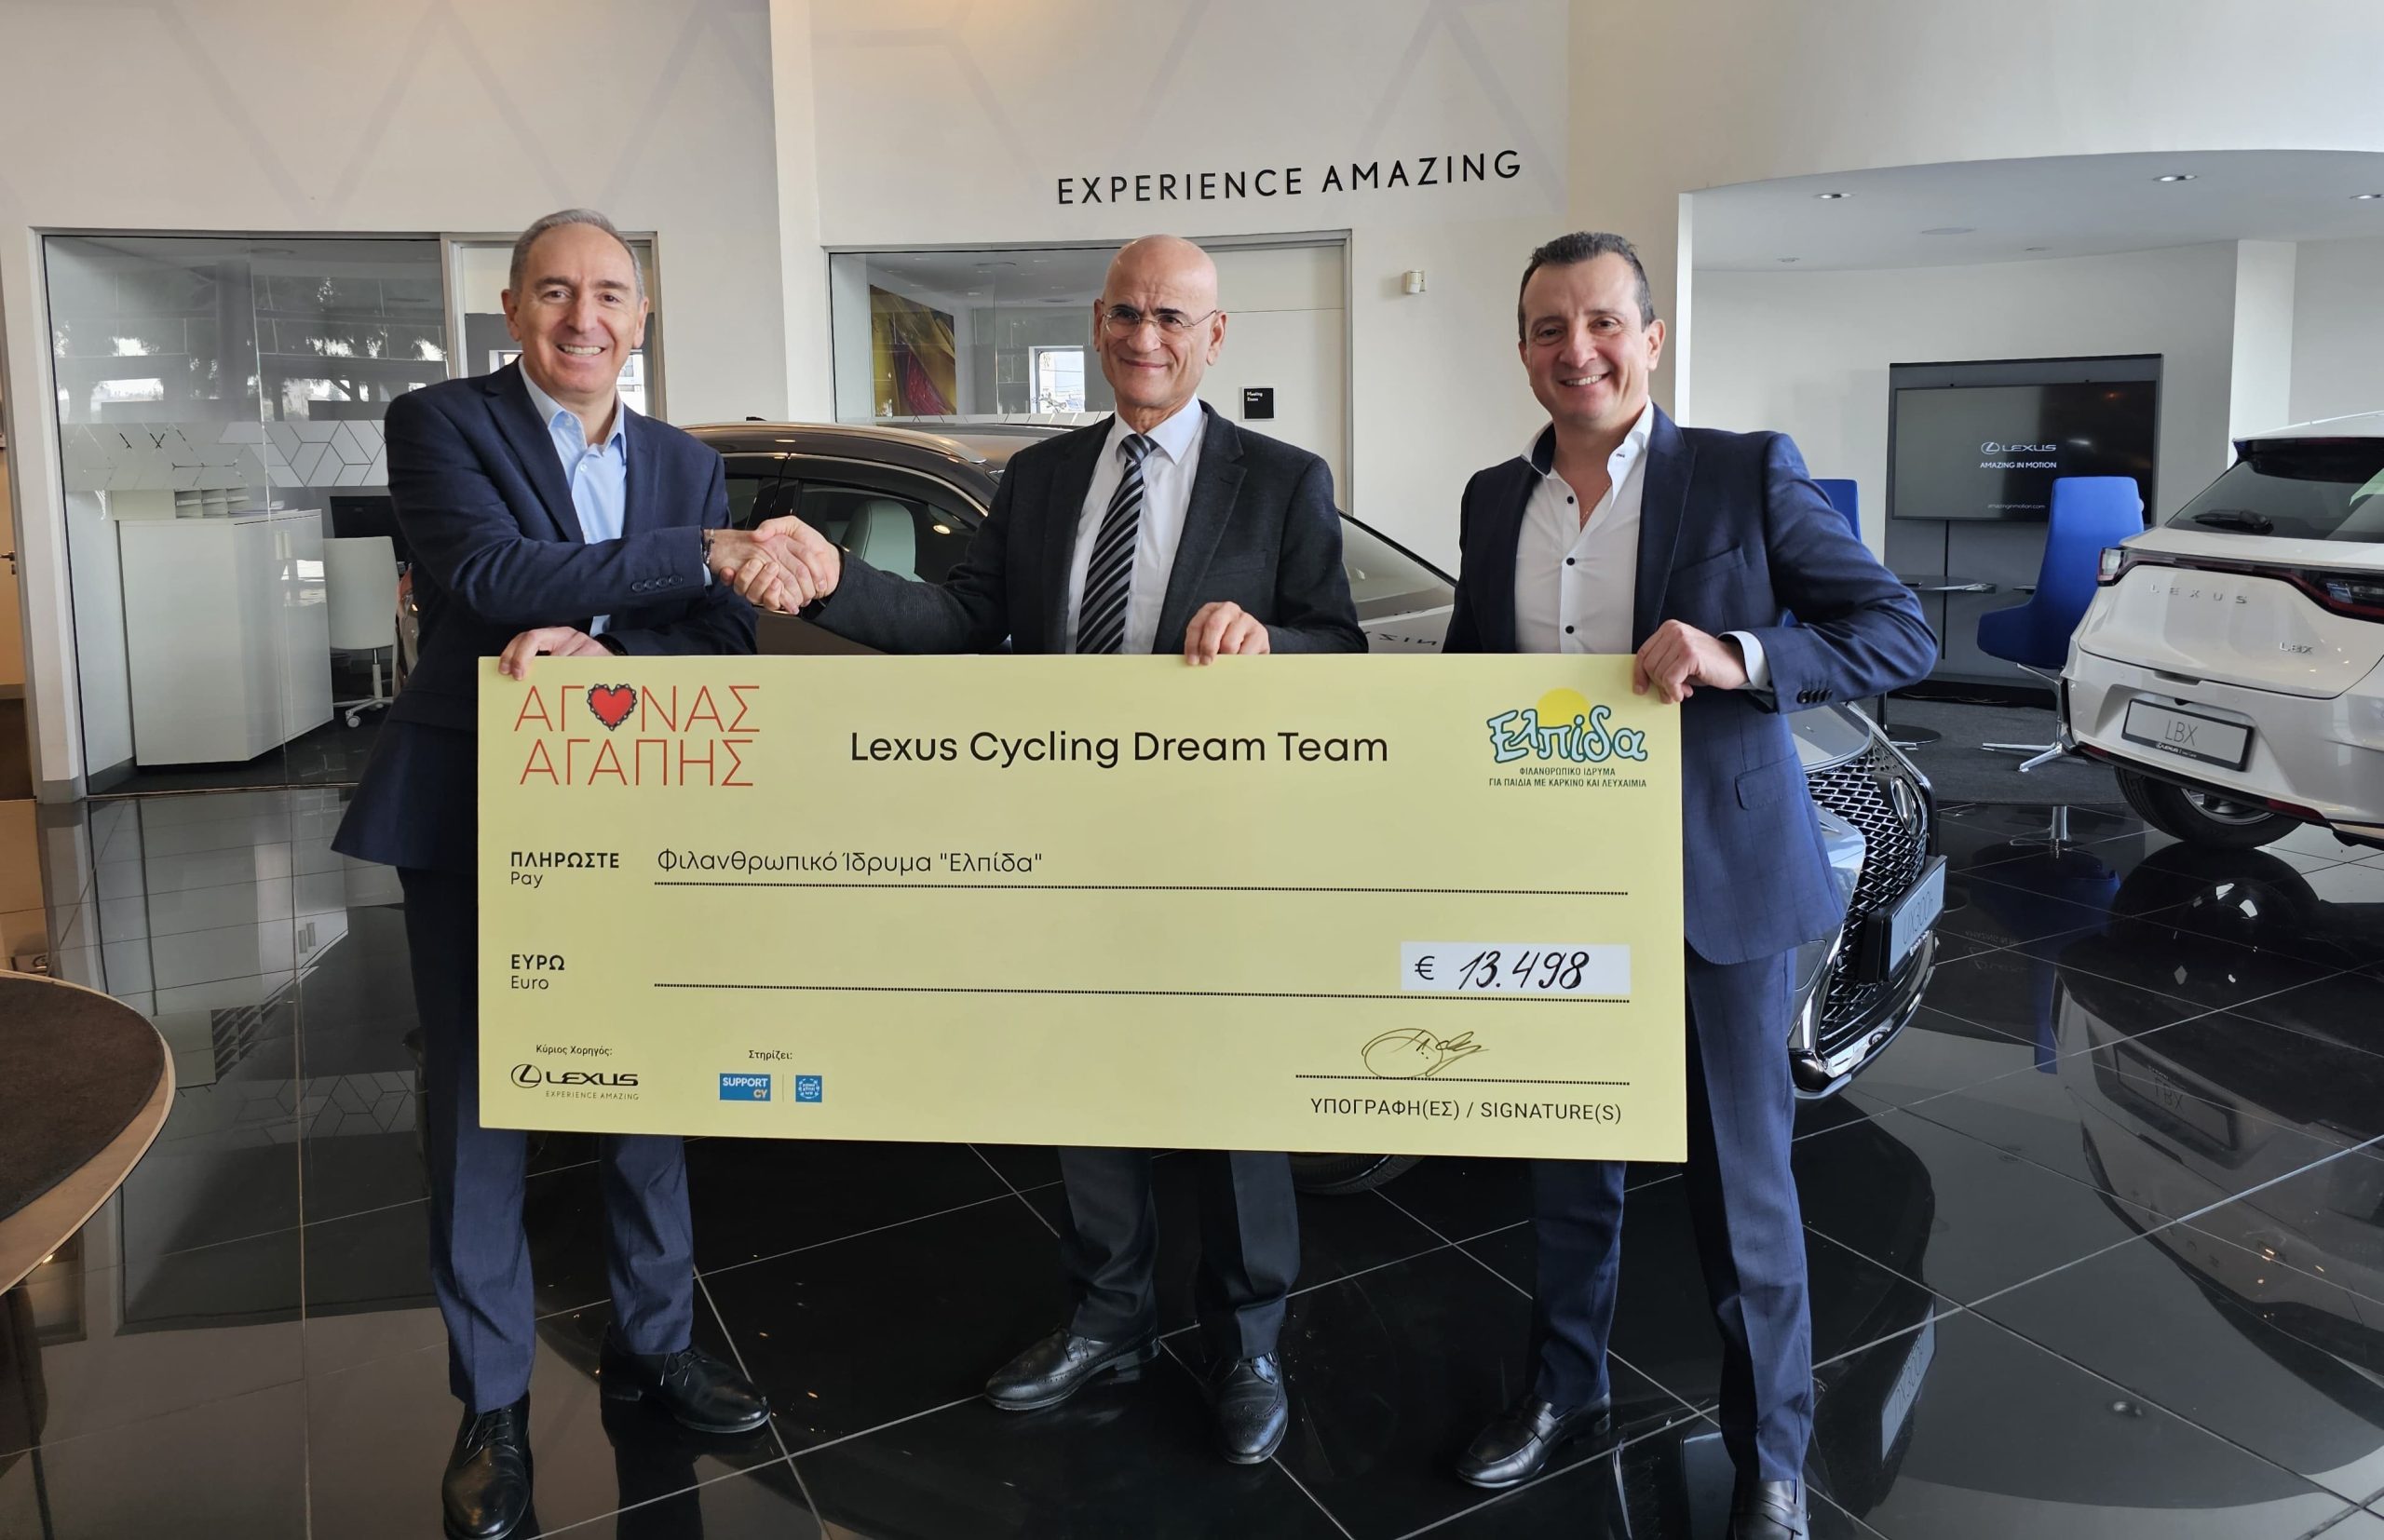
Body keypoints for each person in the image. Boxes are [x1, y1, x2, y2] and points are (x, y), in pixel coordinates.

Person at [745, 235, 1365, 1463]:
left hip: (1217, 844)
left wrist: (1271, 643)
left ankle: (1246, 1342)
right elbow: (964, 620)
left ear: (1216, 336)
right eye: (1127, 313)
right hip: (1068, 839)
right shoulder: (1039, 477)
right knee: (1085, 1079)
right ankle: (1108, 1316)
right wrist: (834, 585)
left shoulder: (1284, 481)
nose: (1146, 337)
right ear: (1097, 323)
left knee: (1234, 1090)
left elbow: (1338, 646)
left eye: (1173, 318)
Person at [332, 208, 830, 1540]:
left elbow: (721, 640)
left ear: (642, 315)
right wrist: (699, 552)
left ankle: (656, 1344)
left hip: (640, 803)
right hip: (470, 801)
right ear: (512, 310)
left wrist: (620, 661)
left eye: (610, 293)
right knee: (481, 1097)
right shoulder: (440, 422)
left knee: (646, 1078)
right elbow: (492, 574)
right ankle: (493, 1402)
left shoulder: (683, 459)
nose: (584, 317)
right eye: (555, 292)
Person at [1440, 232, 1935, 1540]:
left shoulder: (1742, 470)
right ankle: (1565, 1389)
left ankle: (1772, 1454)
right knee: (1566, 1160)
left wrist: (1738, 653)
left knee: (1743, 1183)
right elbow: (1467, 682)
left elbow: (1898, 629)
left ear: (1651, 339)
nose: (1578, 350)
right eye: (1550, 328)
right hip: (1553, 887)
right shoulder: (1492, 499)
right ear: (1524, 350)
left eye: (1604, 322)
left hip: (1714, 880)